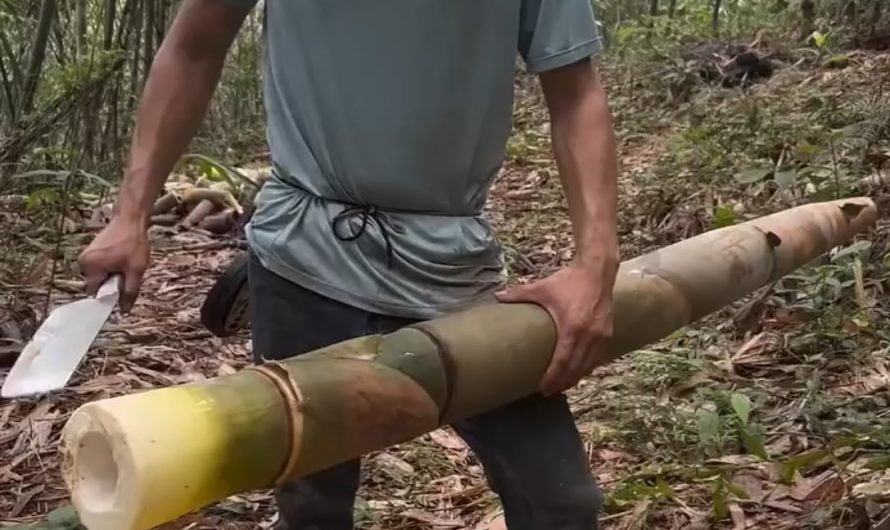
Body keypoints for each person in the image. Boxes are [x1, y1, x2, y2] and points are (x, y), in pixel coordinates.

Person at [77, 1, 621, 529]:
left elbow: (575, 93)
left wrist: (595, 267)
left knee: (559, 501)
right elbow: (194, 47)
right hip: (302, 256)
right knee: (313, 505)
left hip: (452, 266)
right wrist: (132, 214)